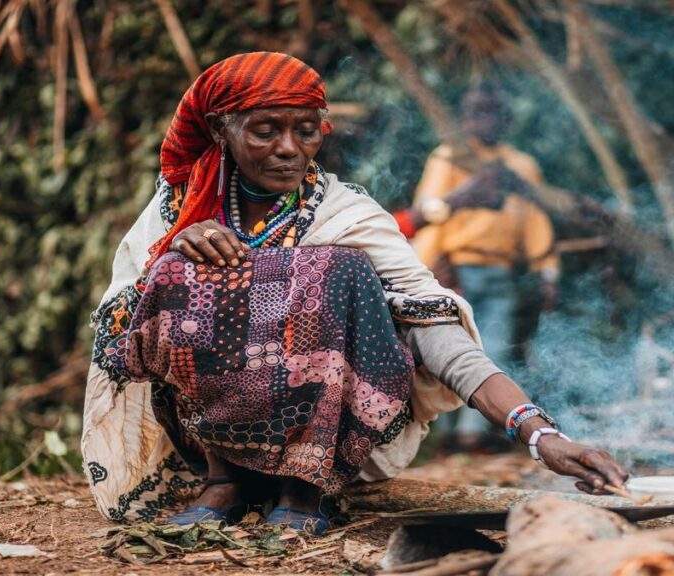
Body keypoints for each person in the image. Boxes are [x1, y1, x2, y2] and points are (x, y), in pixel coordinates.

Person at [81, 52, 625, 535]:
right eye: (266, 130)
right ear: (223, 129)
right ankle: (225, 479)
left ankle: (305, 486)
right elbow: (123, 329)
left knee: (335, 271)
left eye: (307, 131)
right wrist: (177, 248)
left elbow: (435, 327)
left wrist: (540, 435)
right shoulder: (180, 209)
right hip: (210, 430)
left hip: (324, 434)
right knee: (173, 271)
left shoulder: (347, 215)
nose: (289, 149)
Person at [402, 84, 560, 444]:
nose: (484, 121)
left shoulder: (521, 166)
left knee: (494, 348)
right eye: (476, 112)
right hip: (452, 270)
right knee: (447, 350)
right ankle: (444, 433)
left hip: (500, 271)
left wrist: (547, 270)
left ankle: (472, 434)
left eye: (492, 113)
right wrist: (424, 269)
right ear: (464, 119)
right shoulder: (450, 156)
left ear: (507, 120)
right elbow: (431, 212)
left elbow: (536, 222)